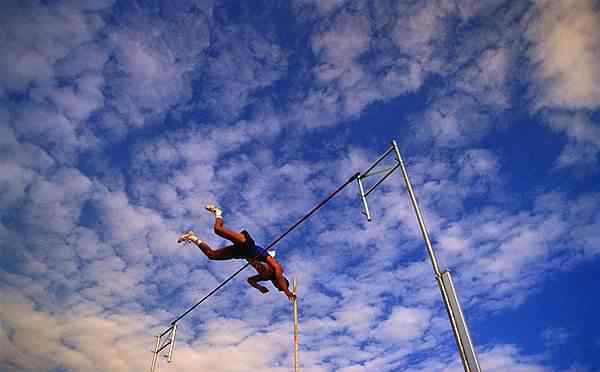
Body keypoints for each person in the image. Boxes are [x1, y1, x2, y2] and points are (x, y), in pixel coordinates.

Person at [177, 204, 296, 301]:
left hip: (242, 254)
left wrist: (259, 287)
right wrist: (287, 292)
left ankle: (192, 237)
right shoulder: (278, 269)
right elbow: (279, 277)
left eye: (277, 287)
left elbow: (250, 280)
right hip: (248, 245)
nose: (276, 286)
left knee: (211, 255)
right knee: (218, 230)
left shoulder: (265, 277)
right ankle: (218, 212)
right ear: (282, 282)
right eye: (279, 286)